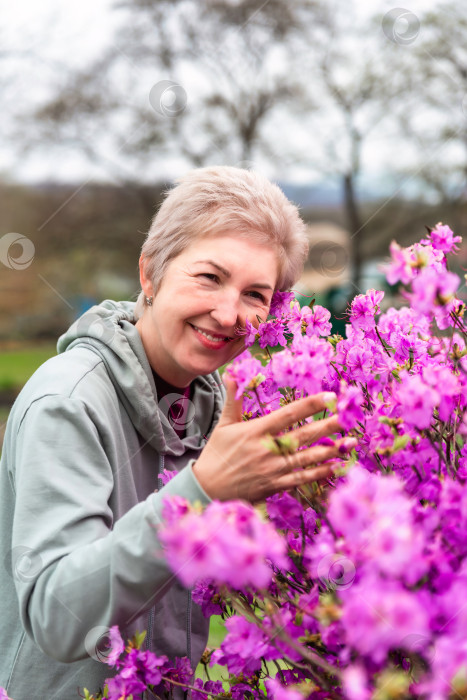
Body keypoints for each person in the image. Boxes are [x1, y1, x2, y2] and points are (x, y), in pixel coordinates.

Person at [0, 166, 352, 699]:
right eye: (209, 278)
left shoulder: (217, 406)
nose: (229, 312)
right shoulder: (68, 403)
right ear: (149, 274)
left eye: (255, 294)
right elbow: (57, 615)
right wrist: (202, 491)